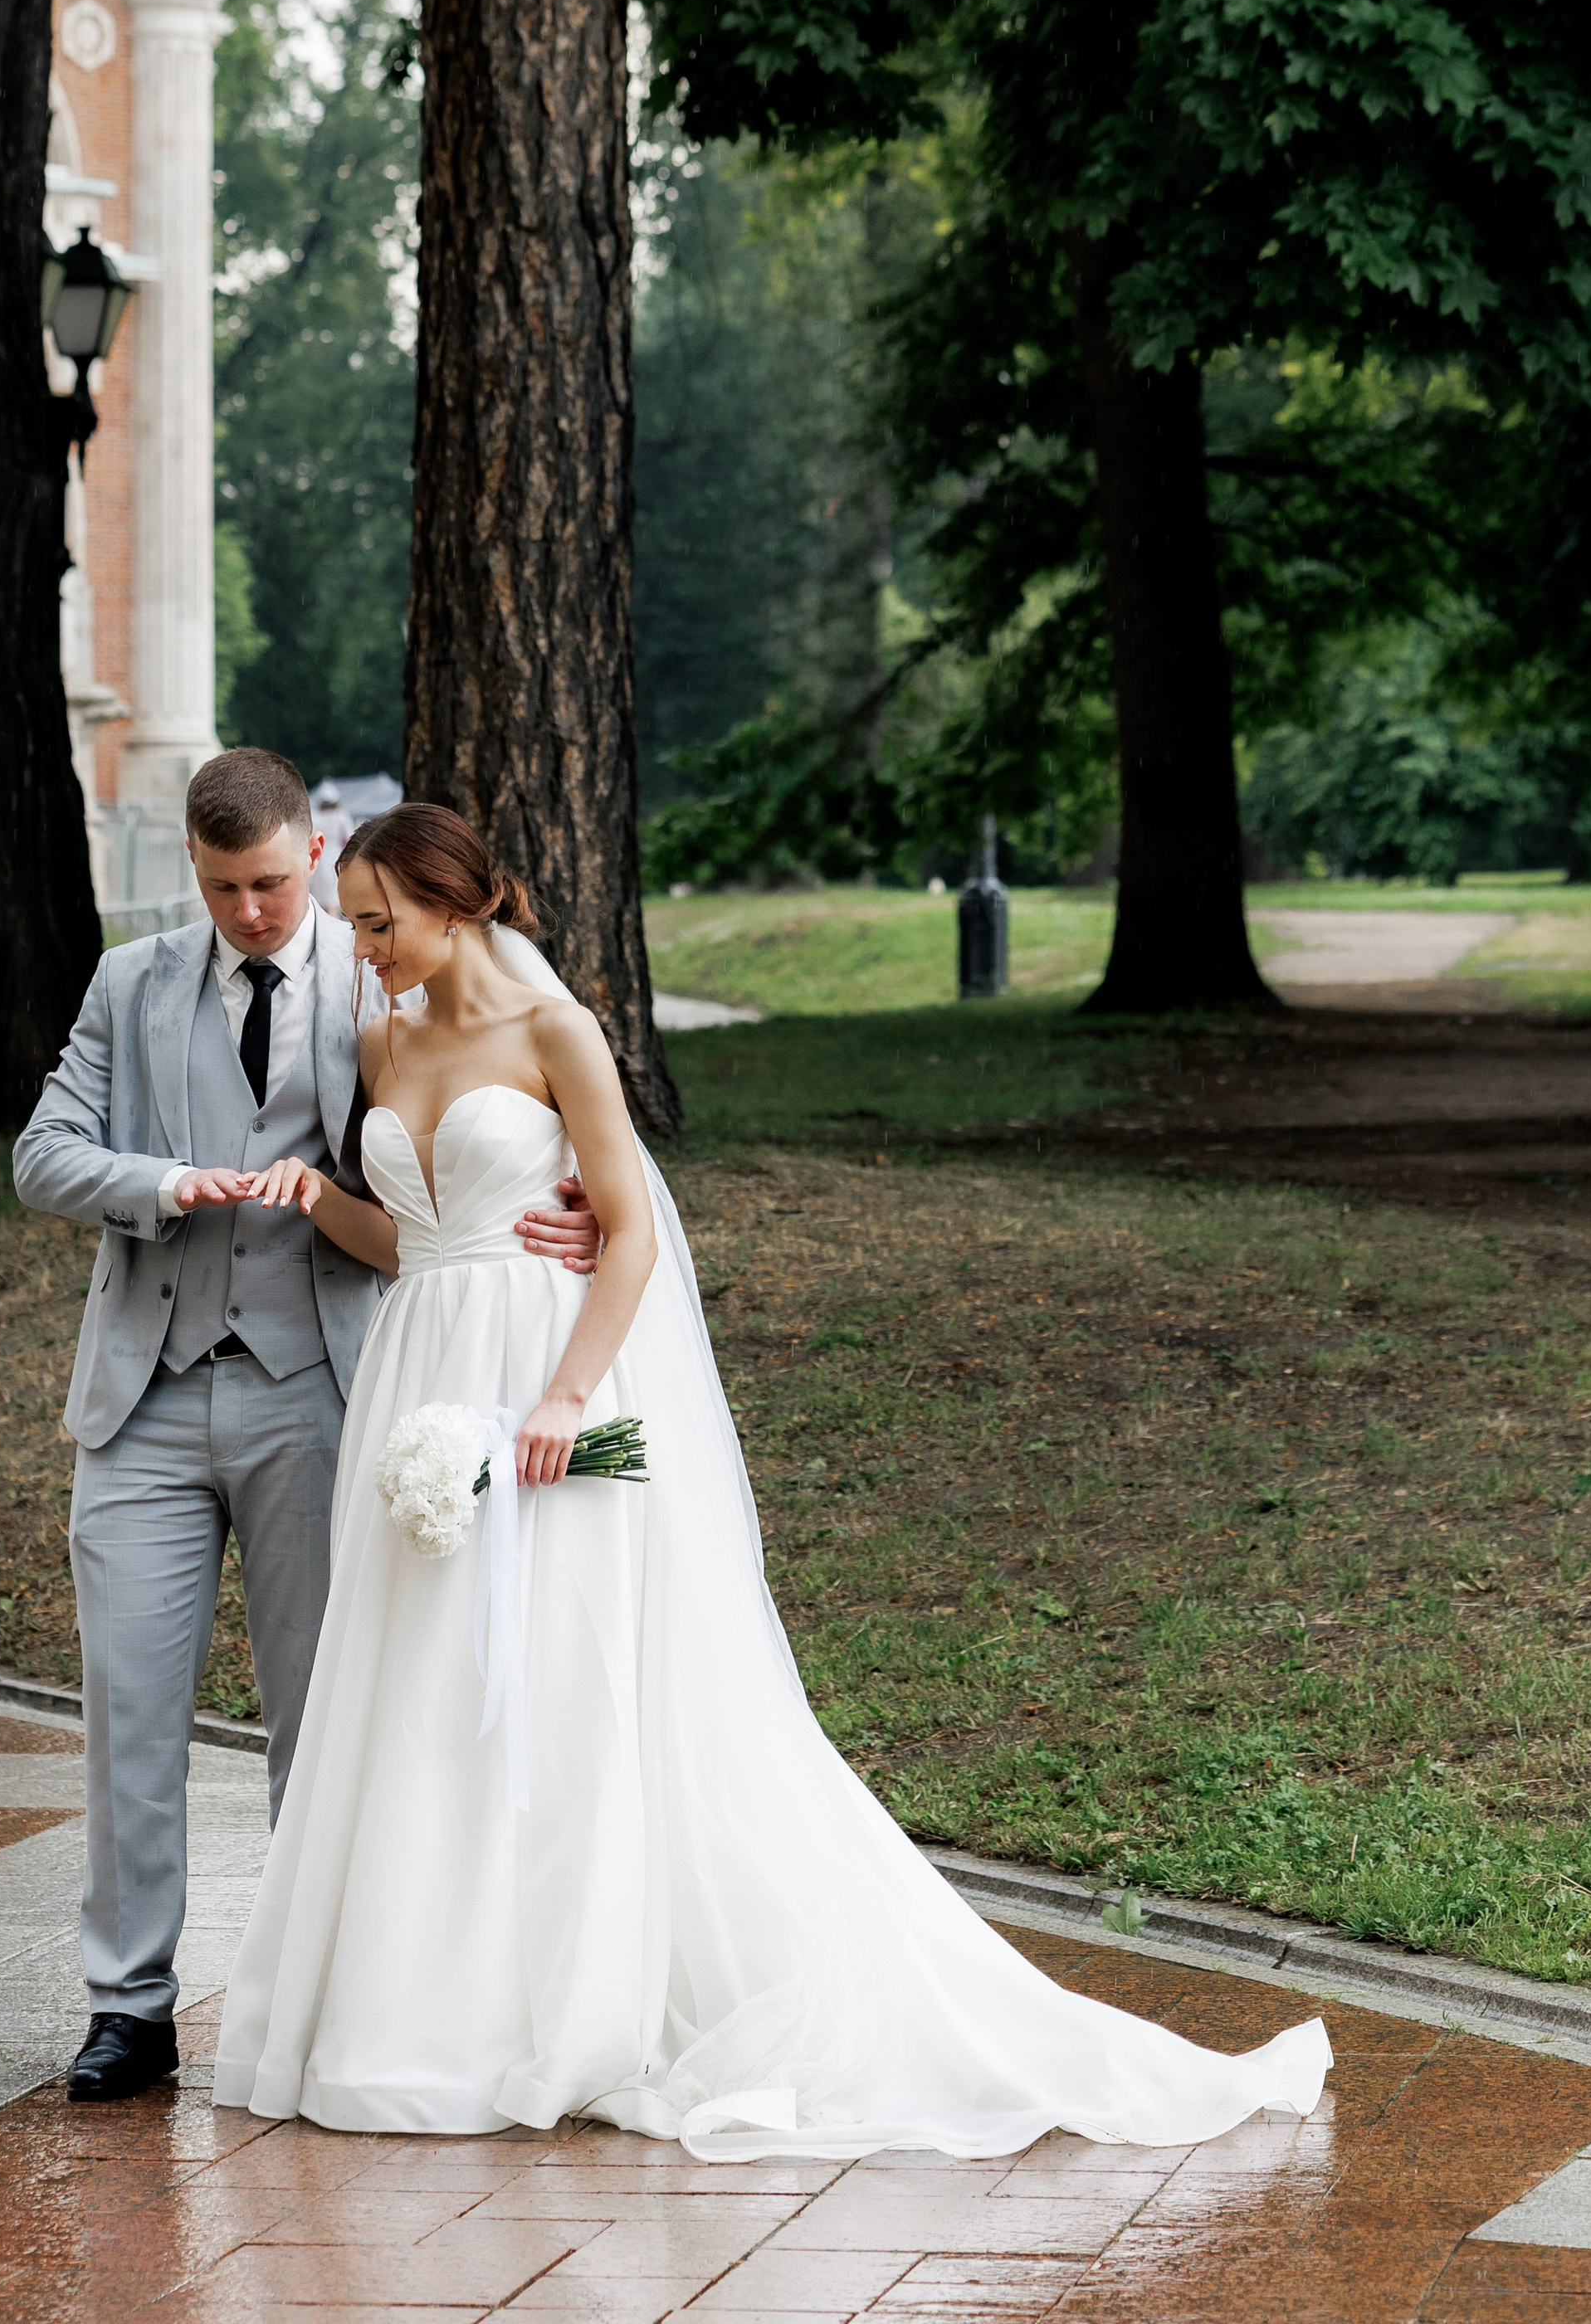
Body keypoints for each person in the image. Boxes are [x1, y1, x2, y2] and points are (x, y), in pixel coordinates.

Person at [212, 801, 1333, 2161]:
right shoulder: (380, 1038)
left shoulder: (556, 1035)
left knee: (570, 1680)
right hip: (422, 1377)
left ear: (460, 907)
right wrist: (314, 1199)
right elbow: (414, 1242)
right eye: (359, 925)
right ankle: (431, 2008)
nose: (364, 949)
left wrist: (567, 1394)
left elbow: (622, 1237)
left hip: (554, 1383)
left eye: (382, 924)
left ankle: (575, 2000)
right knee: (427, 1689)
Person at [13, 748, 602, 2104]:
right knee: (129, 1708)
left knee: (327, 1714)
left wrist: (570, 1203)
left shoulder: (387, 966)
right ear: (194, 870)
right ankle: (130, 2005)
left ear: (312, 855)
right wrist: (163, 1181)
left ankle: (318, 1997)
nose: (253, 915)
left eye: (274, 885)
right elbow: (42, 1155)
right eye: (224, 890)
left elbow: (544, 1083)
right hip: (145, 1401)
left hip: (325, 1391)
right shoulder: (130, 982)